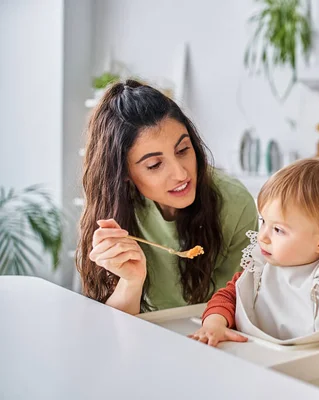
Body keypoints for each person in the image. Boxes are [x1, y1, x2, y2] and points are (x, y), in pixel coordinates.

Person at [76, 80, 258, 315]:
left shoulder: (234, 204)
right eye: (154, 164)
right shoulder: (113, 212)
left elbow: (233, 306)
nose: (181, 174)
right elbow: (111, 325)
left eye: (183, 150)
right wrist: (131, 282)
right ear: (124, 174)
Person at [189, 158, 319, 346]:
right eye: (264, 221)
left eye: (278, 229)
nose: (262, 236)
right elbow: (228, 297)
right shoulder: (261, 267)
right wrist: (214, 323)